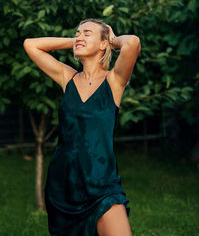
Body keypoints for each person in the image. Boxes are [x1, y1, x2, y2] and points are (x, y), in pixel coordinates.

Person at [23, 18, 141, 236]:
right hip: (64, 182)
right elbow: (31, 44)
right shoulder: (67, 78)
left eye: (87, 33)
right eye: (78, 32)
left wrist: (112, 40)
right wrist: (77, 42)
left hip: (102, 182)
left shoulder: (114, 81)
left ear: (103, 44)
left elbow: (132, 42)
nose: (80, 36)